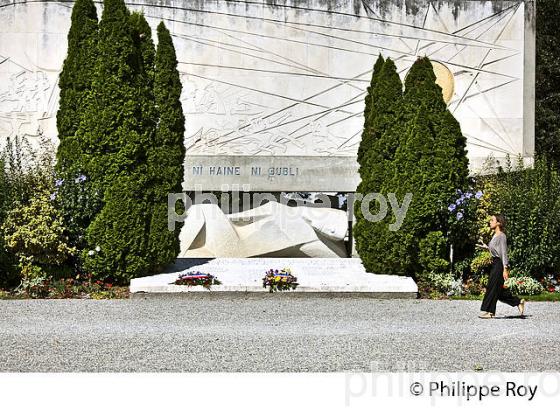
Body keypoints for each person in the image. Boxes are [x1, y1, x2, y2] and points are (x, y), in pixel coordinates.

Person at [477, 214, 525, 319]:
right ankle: (518, 302)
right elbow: (496, 251)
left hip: (499, 264)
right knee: (498, 291)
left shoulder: (502, 236)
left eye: (492, 220)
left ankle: (490, 312)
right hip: (495, 263)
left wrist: (505, 269)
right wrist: (486, 247)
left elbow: (503, 253)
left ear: (498, 223)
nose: (490, 222)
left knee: (492, 287)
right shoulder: (495, 235)